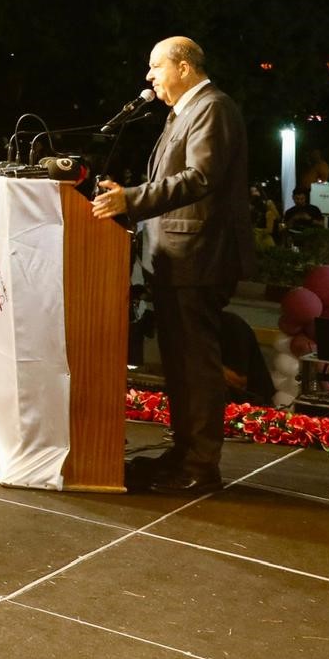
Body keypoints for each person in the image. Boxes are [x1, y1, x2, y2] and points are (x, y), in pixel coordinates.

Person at [92, 36, 250, 495]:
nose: (149, 76)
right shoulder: (183, 112)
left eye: (155, 66)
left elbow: (200, 177)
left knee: (195, 365)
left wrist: (133, 199)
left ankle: (200, 465)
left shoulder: (212, 108)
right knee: (180, 364)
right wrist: (126, 199)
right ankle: (183, 454)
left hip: (198, 256)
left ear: (183, 67)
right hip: (176, 257)